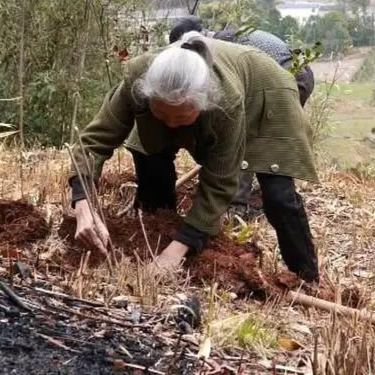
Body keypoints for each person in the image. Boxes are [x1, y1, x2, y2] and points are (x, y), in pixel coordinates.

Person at [68, 32, 320, 282]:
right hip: (184, 95)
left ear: (204, 103)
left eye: (180, 117)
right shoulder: (138, 81)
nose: (171, 125)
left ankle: (306, 275)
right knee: (147, 147)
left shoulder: (226, 102)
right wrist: (83, 202)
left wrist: (177, 251)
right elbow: (93, 140)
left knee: (278, 196)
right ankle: (159, 227)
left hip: (265, 92)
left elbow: (220, 183)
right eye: (162, 114)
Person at [168, 16, 315, 207]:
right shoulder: (222, 39)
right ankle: (261, 192)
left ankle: (237, 200)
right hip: (294, 72)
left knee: (246, 133)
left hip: (293, 75)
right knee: (256, 134)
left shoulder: (216, 47)